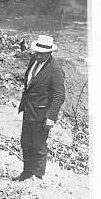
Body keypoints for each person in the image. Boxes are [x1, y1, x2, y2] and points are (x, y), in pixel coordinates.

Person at [14, 35, 65, 181]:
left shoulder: (55, 70)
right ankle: (26, 173)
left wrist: (51, 117)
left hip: (42, 113)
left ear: (50, 53)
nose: (38, 55)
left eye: (42, 53)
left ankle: (37, 176)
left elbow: (59, 96)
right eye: (37, 52)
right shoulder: (34, 60)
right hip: (29, 109)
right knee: (25, 142)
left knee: (39, 145)